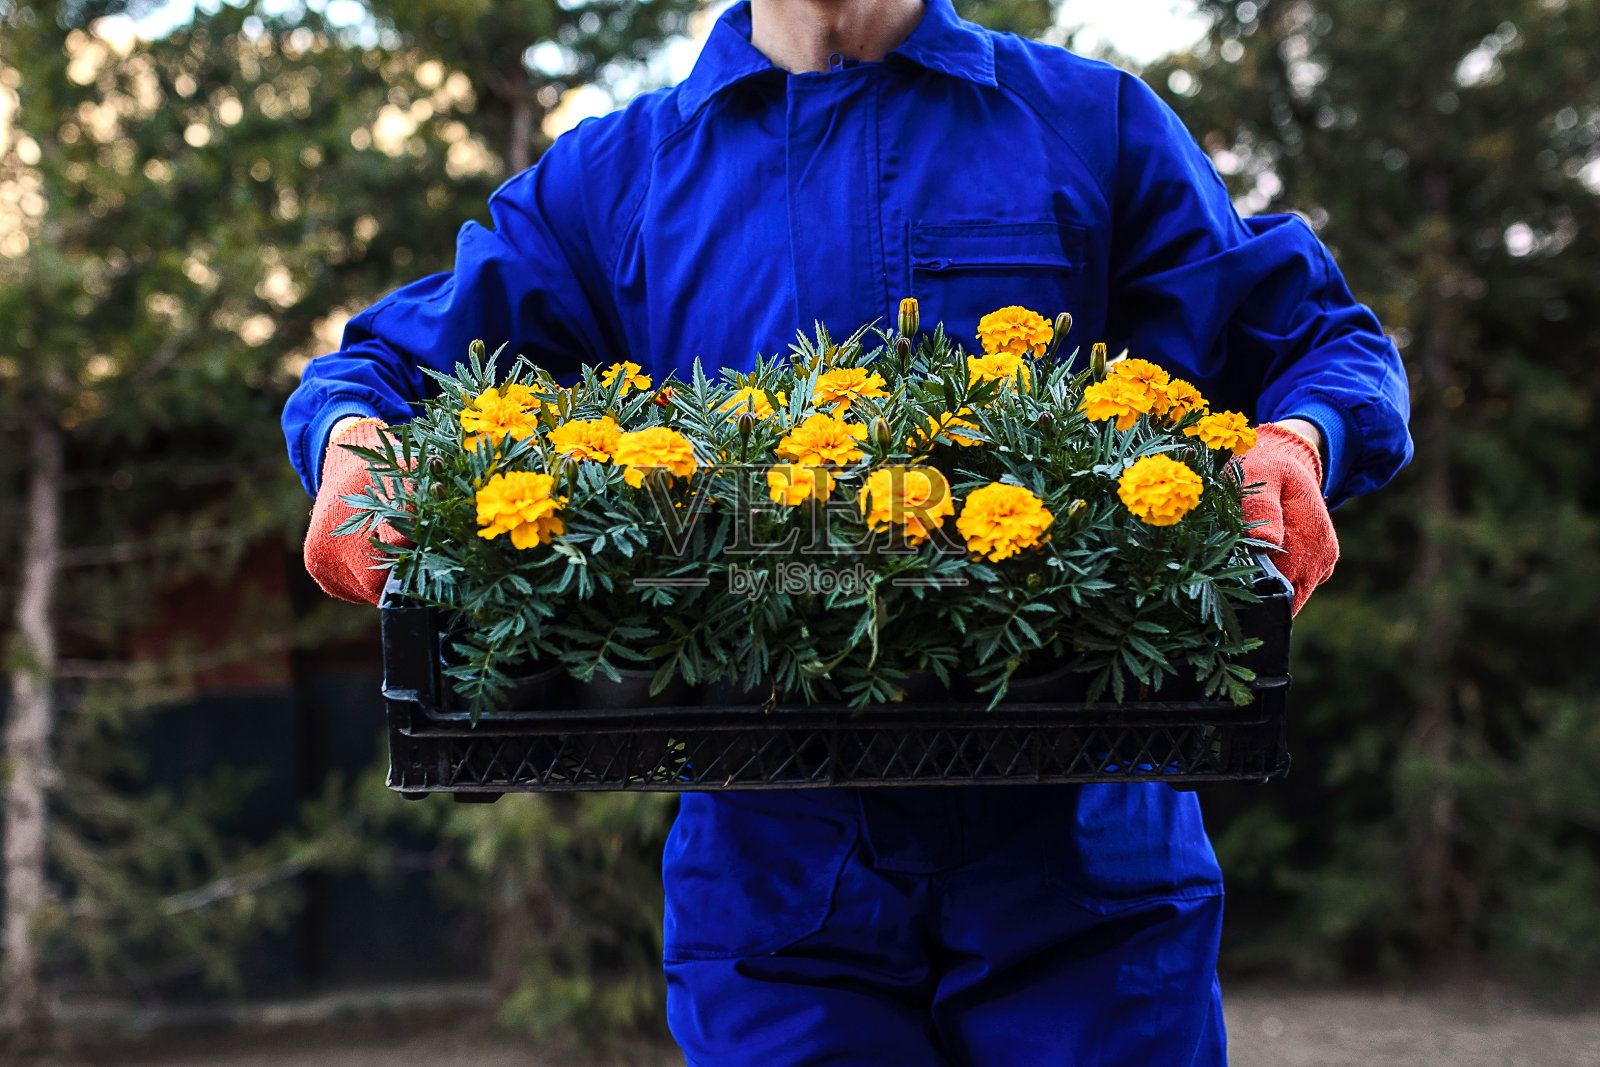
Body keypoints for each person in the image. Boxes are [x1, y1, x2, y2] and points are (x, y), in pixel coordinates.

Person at [282, 0, 1412, 1062]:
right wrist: (349, 444)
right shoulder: (620, 178)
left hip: (1086, 864)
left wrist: (1300, 443)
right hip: (774, 882)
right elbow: (384, 369)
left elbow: (1317, 338)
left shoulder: (1087, 121)